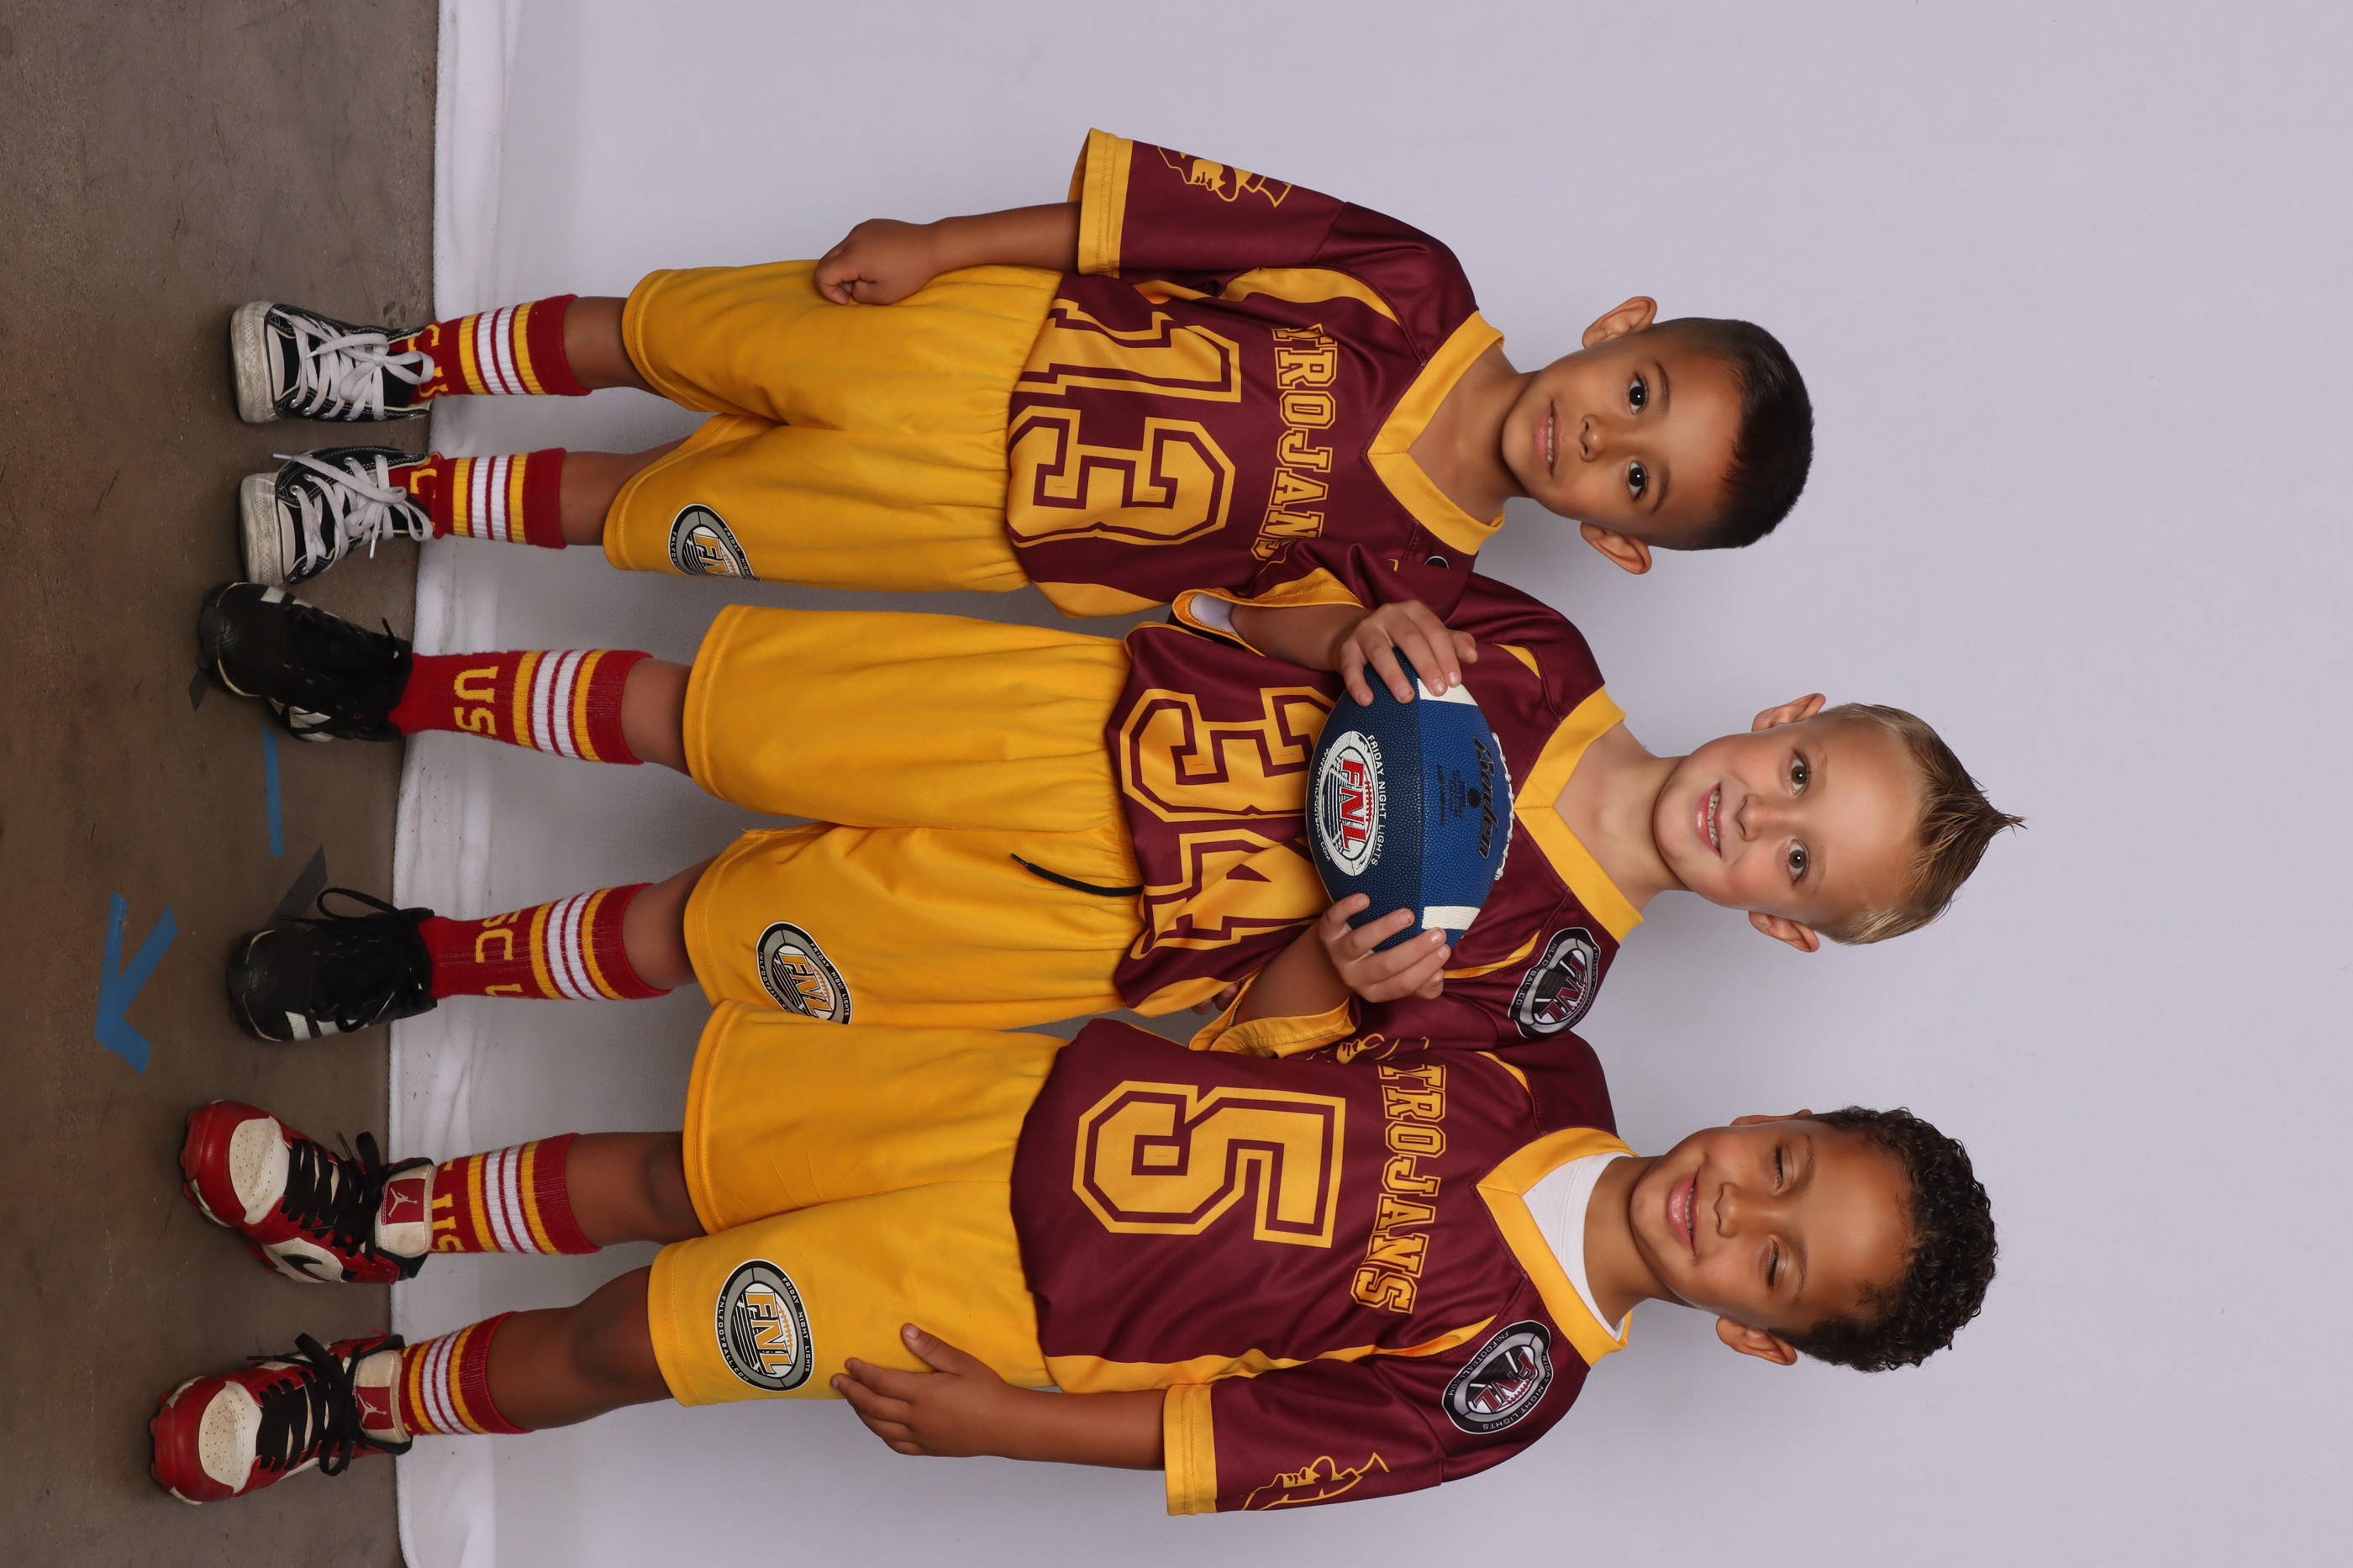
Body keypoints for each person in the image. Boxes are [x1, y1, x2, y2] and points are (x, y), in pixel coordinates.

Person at [150, 995, 1996, 1513]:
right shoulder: (1545, 1059)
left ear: (1756, 1339)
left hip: (1015, 1300)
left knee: (648, 1334)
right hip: (1022, 1102)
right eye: (1782, 1166)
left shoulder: (1510, 1385)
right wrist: (1325, 966)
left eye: (1775, 1267)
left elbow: (1233, 1438)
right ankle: (373, 1216)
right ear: (1776, 1112)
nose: (1735, 1210)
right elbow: (1291, 1024)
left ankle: (367, 1399)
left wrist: (1000, 1422)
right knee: (672, 1166)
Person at [199, 573, 2019, 1048]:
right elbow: (1265, 607)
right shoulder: (1540, 651)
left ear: (1778, 923)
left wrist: (1343, 970)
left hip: (1085, 929)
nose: (1755, 818)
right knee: (707, 712)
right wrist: (1347, 636)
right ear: (1783, 717)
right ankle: (387, 686)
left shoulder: (1543, 989)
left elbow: (1265, 1050)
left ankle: (425, 960)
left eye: (1798, 859)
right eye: (1798, 775)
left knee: (705, 928)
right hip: (1073, 724)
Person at [224, 129, 1812, 618]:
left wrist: (1351, 649)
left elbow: (1256, 627)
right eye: (1641, 394)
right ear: (1622, 324)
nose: (1598, 438)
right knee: (660, 331)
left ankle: (396, 501)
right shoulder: (1413, 283)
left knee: (653, 506)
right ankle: (391, 361)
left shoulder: (1425, 582)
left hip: (966, 527)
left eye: (1637, 480)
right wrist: (943, 244)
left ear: (1616, 540)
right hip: (976, 337)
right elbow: (1159, 228)